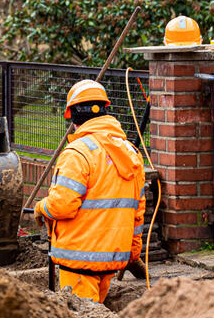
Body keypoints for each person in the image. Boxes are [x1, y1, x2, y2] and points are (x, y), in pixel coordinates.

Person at [34, 79, 147, 304]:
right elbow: (137, 211)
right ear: (106, 111)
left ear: (73, 117)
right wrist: (133, 252)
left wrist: (40, 207)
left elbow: (62, 205)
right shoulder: (130, 153)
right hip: (111, 261)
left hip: (79, 261)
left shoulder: (77, 153)